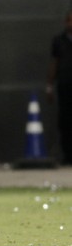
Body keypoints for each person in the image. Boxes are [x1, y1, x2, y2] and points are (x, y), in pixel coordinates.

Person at [47, 11, 72, 165]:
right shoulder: (59, 41)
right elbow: (54, 63)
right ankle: (68, 155)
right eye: (69, 21)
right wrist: (49, 86)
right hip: (65, 86)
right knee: (65, 121)